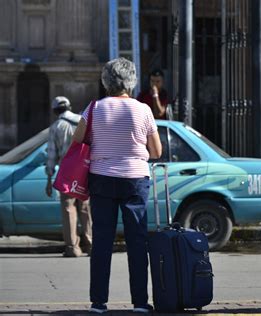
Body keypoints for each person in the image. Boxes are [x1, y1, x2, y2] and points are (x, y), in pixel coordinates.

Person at [72, 58, 162, 314]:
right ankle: (140, 303)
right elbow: (156, 151)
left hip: (101, 178)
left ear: (106, 81)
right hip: (135, 179)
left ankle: (98, 303)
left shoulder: (93, 108)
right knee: (137, 241)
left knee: (102, 241)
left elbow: (77, 143)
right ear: (131, 81)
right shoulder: (143, 109)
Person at [45, 96, 92, 258]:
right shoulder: (82, 120)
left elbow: (51, 155)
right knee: (85, 207)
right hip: (85, 170)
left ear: (55, 111)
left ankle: (72, 247)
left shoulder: (56, 127)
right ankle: (90, 244)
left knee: (68, 208)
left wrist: (49, 179)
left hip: (67, 172)